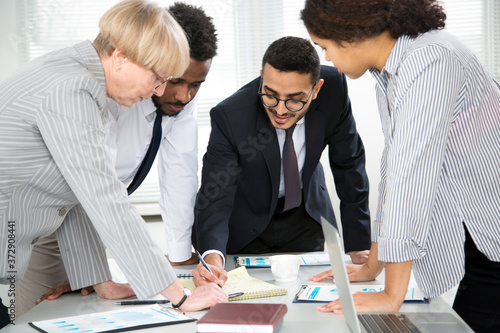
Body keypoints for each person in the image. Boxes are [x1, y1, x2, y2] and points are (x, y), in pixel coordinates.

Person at [0, 0, 226, 328]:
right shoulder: (72, 89)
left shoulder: (82, 78)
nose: (158, 91)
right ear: (120, 57)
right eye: (158, 78)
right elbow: (106, 197)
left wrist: (102, 282)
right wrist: (180, 296)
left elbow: (75, 192)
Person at [301, 0, 500, 332]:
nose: (328, 59)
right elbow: (394, 172)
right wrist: (373, 267)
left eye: (325, 46)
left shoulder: (430, 61)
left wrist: (391, 294)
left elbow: (411, 177)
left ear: (349, 34)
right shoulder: (394, 71)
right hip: (482, 230)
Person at [192, 36, 371, 286]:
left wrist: (359, 244)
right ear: (261, 78)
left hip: (305, 215)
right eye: (271, 95)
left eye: (295, 99)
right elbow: (216, 192)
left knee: (311, 296)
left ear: (316, 89)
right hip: (247, 221)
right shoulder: (230, 116)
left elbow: (349, 166)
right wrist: (211, 260)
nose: (280, 110)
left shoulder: (335, 91)